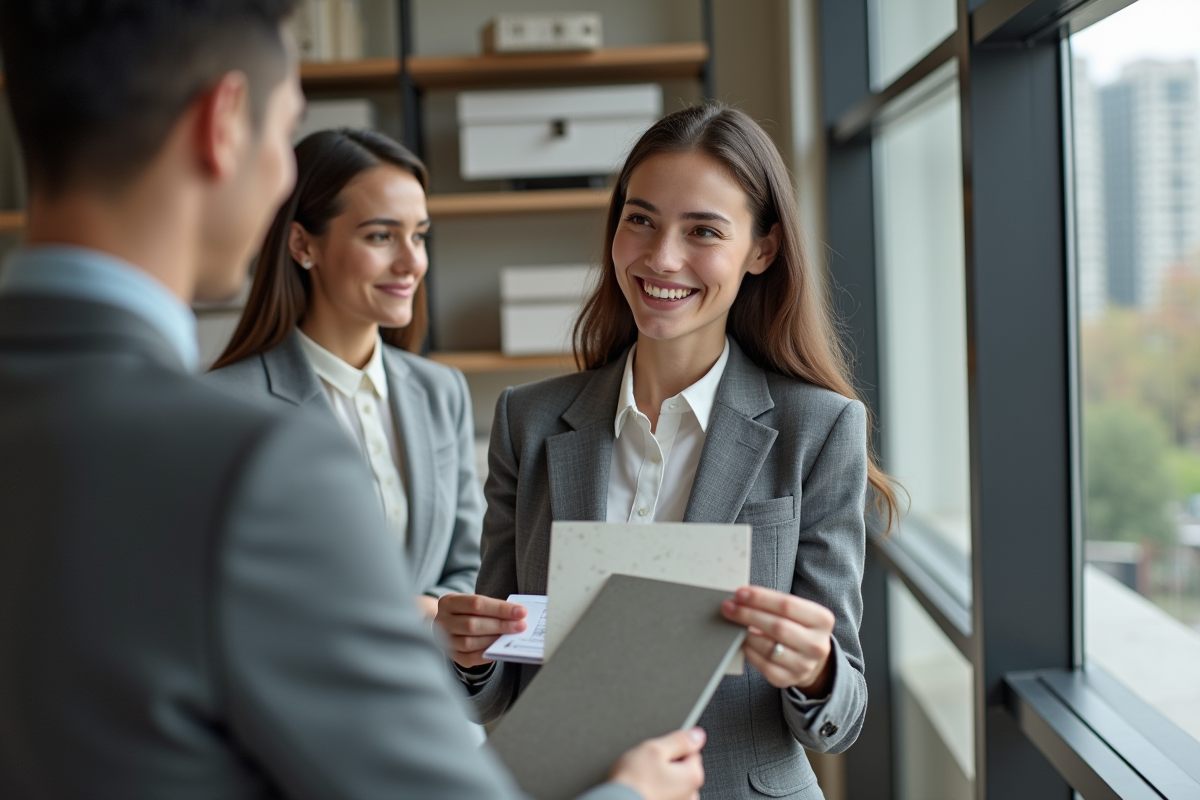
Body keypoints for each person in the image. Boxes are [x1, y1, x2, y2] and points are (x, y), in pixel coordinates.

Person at [0, 2, 705, 799]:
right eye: (281, 132)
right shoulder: (252, 461)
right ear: (223, 122)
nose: (278, 179)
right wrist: (631, 792)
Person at [437, 103, 900, 800]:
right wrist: (471, 656)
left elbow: (842, 714)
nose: (661, 258)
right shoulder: (526, 421)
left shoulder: (820, 428)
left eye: (703, 230)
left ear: (762, 250)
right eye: (640, 219)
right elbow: (496, 690)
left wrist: (817, 670)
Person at [208, 129, 479, 619]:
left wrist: (440, 614)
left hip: (429, 690)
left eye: (418, 236)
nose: (412, 262)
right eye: (381, 236)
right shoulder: (223, 407)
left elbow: (470, 564)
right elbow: (228, 591)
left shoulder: (441, 391)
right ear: (301, 245)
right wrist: (416, 615)